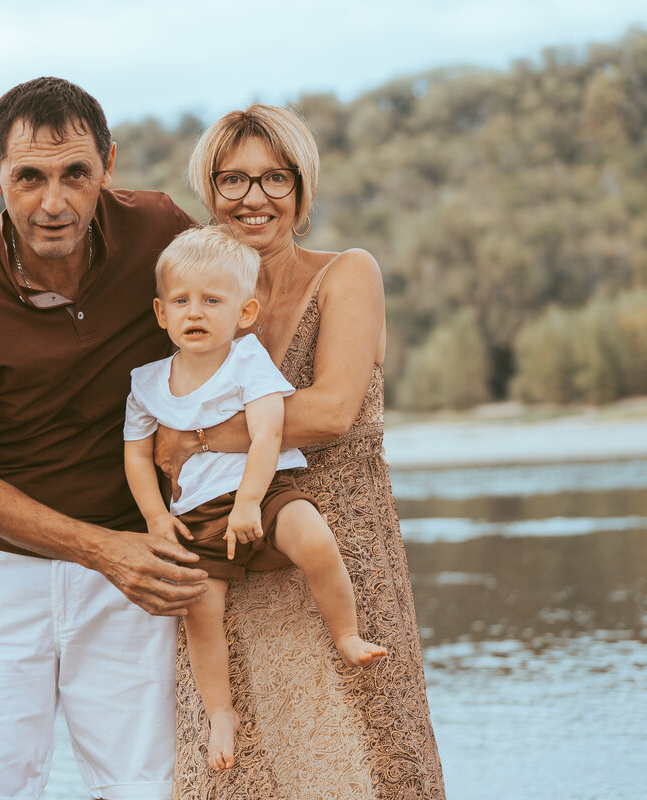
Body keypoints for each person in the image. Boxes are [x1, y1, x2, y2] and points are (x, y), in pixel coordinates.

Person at [0, 76, 206, 800]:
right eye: (29, 177)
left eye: (76, 173)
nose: (54, 202)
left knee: (150, 789)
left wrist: (188, 437)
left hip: (134, 566)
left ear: (107, 163)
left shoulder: (161, 231)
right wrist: (105, 552)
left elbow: (235, 323)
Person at [158, 105, 447, 798]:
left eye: (274, 179)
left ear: (302, 188)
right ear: (209, 191)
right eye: (232, 180)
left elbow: (330, 411)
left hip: (337, 559)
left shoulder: (348, 273)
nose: (253, 199)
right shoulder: (196, 298)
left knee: (361, 763)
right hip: (229, 558)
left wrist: (198, 438)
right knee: (243, 771)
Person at [122, 226, 386, 772]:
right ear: (161, 313)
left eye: (211, 301)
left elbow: (268, 433)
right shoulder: (147, 383)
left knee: (312, 537)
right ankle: (221, 712)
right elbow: (136, 454)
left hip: (263, 492)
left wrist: (248, 502)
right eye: (181, 301)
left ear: (243, 314)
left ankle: (346, 634)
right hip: (194, 514)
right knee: (199, 607)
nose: (195, 312)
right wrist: (154, 517)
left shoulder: (248, 362)